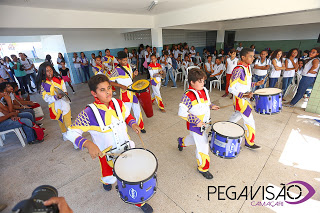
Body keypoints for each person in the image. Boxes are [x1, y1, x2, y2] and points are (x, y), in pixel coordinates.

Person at [66, 74, 153, 213]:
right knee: (110, 176)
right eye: (102, 90)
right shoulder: (88, 113)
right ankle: (105, 181)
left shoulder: (119, 103)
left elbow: (126, 115)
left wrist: (133, 123)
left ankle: (138, 201)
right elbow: (70, 132)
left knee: (130, 176)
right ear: (94, 93)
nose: (108, 92)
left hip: (126, 149)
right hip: (107, 154)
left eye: (109, 88)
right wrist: (88, 143)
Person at [178, 67, 220, 179]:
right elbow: (181, 113)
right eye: (200, 81)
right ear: (192, 82)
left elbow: (206, 103)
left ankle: (181, 141)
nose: (203, 83)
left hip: (205, 123)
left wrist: (212, 106)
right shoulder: (188, 96)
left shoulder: (204, 91)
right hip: (195, 125)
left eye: (203, 81)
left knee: (192, 140)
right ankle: (203, 168)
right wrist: (197, 121)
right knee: (203, 145)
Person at [228, 48, 264, 150]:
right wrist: (244, 95)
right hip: (241, 100)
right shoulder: (238, 69)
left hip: (244, 99)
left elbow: (245, 85)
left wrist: (256, 84)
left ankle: (221, 131)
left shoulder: (247, 67)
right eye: (250, 56)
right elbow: (230, 88)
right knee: (249, 121)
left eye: (253, 56)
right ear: (243, 57)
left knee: (234, 118)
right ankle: (249, 142)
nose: (253, 58)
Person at [109, 51, 146, 133]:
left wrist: (134, 74)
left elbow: (130, 78)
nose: (126, 62)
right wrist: (121, 86)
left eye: (126, 60)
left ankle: (141, 126)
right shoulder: (116, 70)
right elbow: (110, 82)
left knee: (137, 109)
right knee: (126, 112)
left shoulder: (129, 66)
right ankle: (122, 129)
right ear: (119, 60)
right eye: (124, 61)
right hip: (125, 93)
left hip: (132, 91)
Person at [36, 62, 73, 144]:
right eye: (47, 71)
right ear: (43, 72)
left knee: (68, 123)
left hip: (65, 103)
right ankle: (64, 133)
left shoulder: (59, 79)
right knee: (61, 121)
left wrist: (65, 93)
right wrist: (56, 97)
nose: (50, 72)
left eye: (50, 70)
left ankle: (73, 137)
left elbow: (64, 89)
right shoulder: (42, 84)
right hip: (55, 107)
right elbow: (46, 98)